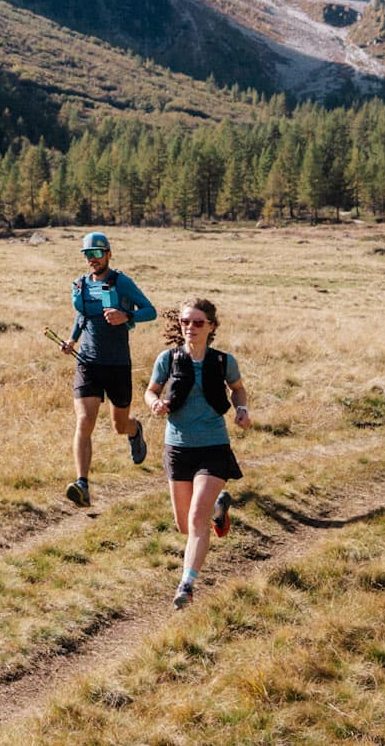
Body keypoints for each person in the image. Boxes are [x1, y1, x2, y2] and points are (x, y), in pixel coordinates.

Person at [144, 296, 250, 608]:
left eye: (198, 322)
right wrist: (155, 404)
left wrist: (241, 408)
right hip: (177, 447)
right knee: (185, 526)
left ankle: (186, 585)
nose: (190, 327)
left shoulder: (223, 361)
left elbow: (238, 388)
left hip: (213, 446)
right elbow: (151, 390)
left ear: (211, 326)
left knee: (195, 518)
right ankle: (218, 508)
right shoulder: (168, 359)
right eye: (186, 322)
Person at [57, 231, 157, 506]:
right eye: (88, 255)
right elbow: (82, 316)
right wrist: (71, 340)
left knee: (119, 425)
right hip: (88, 362)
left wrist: (127, 315)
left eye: (97, 254)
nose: (92, 259)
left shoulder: (121, 282)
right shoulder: (80, 285)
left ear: (109, 254)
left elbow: (150, 310)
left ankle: (135, 431)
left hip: (117, 364)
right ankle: (82, 484)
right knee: (84, 421)